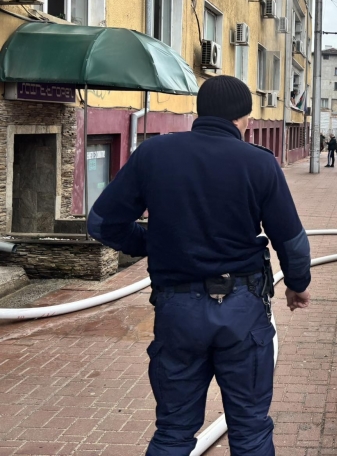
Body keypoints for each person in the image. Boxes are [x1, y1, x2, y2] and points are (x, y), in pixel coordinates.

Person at [88, 75, 311, 456]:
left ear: (199, 111)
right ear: (243, 118)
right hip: (243, 312)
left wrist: (148, 244)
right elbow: (291, 239)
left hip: (178, 311)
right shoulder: (259, 163)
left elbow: (101, 223)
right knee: (250, 429)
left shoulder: (153, 154)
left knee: (173, 431)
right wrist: (297, 284)